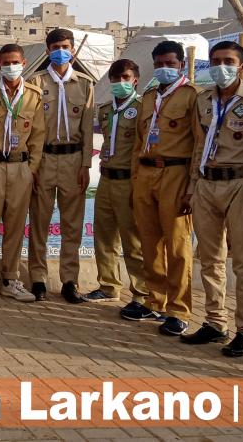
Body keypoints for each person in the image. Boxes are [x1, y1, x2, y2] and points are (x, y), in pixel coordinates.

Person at [181, 41, 243, 357]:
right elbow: (197, 147)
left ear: (242, 66)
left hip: (241, 184)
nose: (221, 66)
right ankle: (215, 321)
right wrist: (192, 188)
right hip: (206, 184)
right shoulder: (204, 100)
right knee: (209, 259)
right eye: (216, 61)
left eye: (228, 61)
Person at [128, 40, 198, 337]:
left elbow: (198, 144)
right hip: (146, 172)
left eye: (170, 63)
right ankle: (154, 300)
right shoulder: (148, 97)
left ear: (181, 64)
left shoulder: (193, 97)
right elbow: (137, 142)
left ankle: (178, 309)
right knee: (149, 241)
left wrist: (192, 187)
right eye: (159, 65)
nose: (164, 69)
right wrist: (134, 181)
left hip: (176, 173)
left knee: (178, 244)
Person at [26, 29, 95, 303]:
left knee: (72, 225)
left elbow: (88, 129)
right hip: (43, 158)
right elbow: (29, 127)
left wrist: (86, 165)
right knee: (40, 222)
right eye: (55, 46)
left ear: (74, 49)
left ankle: (69, 280)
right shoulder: (35, 82)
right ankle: (38, 278)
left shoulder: (85, 85)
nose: (60, 51)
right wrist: (32, 165)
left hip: (73, 159)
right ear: (47, 51)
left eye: (65, 46)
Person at [0, 43, 43, 304]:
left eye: (14, 62)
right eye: (5, 63)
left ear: (24, 64)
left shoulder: (34, 96)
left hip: (20, 167)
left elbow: (38, 136)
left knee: (15, 226)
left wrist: (32, 169)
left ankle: (10, 278)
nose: (10, 67)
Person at [87, 59, 150, 313]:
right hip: (106, 178)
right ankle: (108, 285)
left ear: (135, 79)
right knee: (104, 236)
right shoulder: (104, 109)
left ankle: (142, 293)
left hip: (129, 180)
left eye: (125, 78)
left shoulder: (142, 107)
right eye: (115, 79)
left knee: (132, 240)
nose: (119, 83)